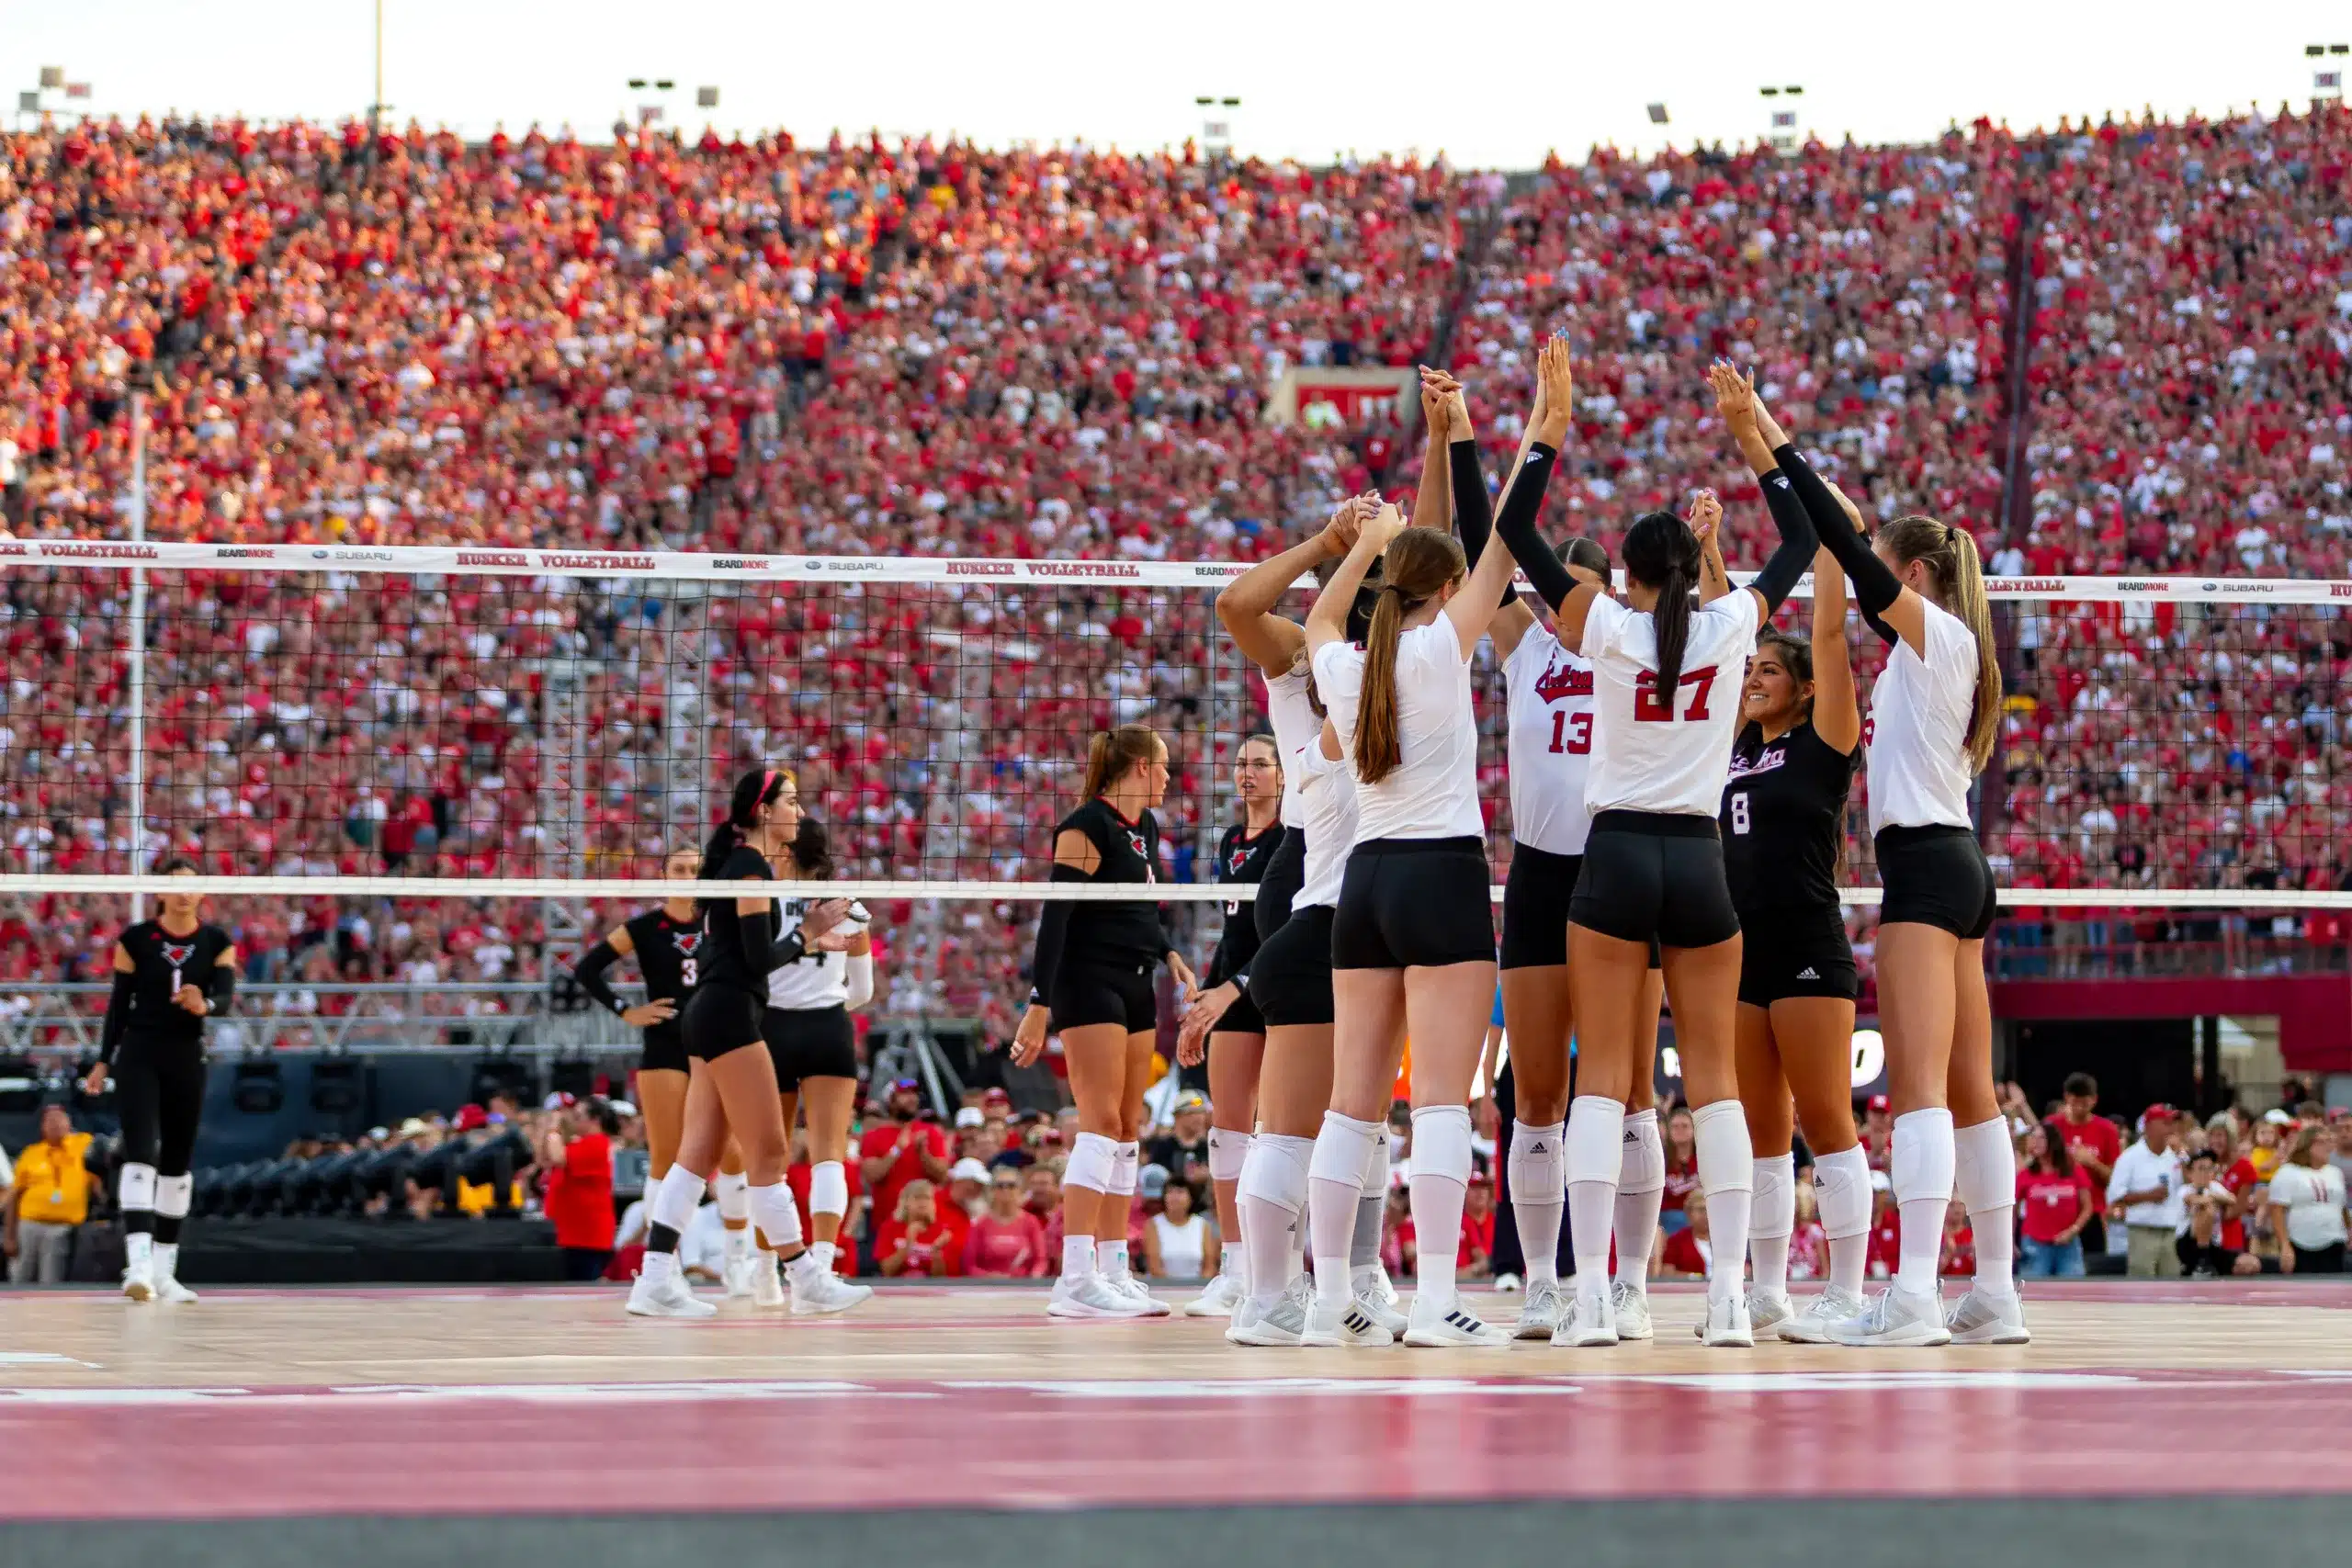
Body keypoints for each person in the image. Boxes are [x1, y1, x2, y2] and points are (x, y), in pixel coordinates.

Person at [1489, 357, 1817, 1348]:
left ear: (1626, 574)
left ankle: (1589, 1297)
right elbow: (1803, 536)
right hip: (1697, 859)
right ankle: (1724, 1301)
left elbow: (1511, 533)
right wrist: (1753, 432)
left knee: (1601, 1084)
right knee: (1711, 1083)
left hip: (1615, 856)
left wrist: (1549, 426)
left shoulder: (1605, 628)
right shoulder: (1729, 623)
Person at [1301, 346, 1569, 1350]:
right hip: (1441, 875)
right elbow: (1501, 537)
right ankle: (1430, 1302)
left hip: (1363, 881)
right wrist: (1539, 429)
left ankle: (1330, 1302)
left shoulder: (1341, 656)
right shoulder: (1437, 646)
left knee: (1351, 1106)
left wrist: (1367, 540)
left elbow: (1331, 605)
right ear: (1444, 588)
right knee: (1444, 1106)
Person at [1769, 372, 2023, 1348]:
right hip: (1956, 867)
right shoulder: (1936, 654)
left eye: (1886, 566)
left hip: (1925, 870)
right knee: (1969, 1089)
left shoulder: (1940, 634)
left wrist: (1778, 446)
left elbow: (1848, 562)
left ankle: (1912, 1295)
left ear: (1912, 575)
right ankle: (1992, 1294)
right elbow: (1843, 580)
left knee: (1918, 1086)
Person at [1420, 361, 1669, 1343]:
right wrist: (1463, 434)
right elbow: (1488, 540)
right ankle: (1538, 1283)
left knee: (1637, 1086)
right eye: (1565, 590)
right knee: (1537, 1091)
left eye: (1592, 591)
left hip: (1615, 866)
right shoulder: (1527, 645)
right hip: (1539, 872)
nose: (1577, 603)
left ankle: (1632, 1282)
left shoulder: (1631, 642)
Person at [1202, 495, 1400, 1348]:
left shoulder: (1374, 672)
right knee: (1329, 1122)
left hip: (1328, 909)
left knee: (1336, 1120)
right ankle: (1291, 1292)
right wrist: (1333, 540)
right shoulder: (1329, 679)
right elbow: (1237, 606)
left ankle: (1321, 1284)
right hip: (1330, 913)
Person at [1711, 371, 1871, 1341]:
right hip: (1736, 945)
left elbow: (1821, 609)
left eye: (1771, 669)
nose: (1756, 674)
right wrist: (1714, 556)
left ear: (1803, 687)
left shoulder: (1826, 733)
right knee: (1758, 1135)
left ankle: (1847, 1293)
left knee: (1826, 1121)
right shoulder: (1730, 744)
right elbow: (1718, 639)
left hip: (1809, 935)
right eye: (1753, 669)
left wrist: (1757, 437)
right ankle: (1767, 1288)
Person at [627, 768, 849, 1318]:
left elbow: (724, 954)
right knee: (769, 1151)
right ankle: (806, 1277)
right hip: (729, 1016)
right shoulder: (749, 869)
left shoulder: (735, 866)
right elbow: (757, 960)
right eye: (791, 803)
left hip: (709, 1012)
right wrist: (808, 933)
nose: (799, 813)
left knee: (696, 1156)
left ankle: (653, 1279)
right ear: (761, 810)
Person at [1012, 723, 1199, 1318]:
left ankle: (1115, 1269)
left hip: (1137, 976)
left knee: (1125, 1124)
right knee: (1096, 1121)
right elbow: (1056, 923)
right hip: (1085, 980)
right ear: (1139, 767)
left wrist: (1169, 951)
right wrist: (1039, 1004)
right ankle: (1074, 1277)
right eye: (1163, 764)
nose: (1169, 775)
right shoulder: (1083, 827)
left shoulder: (1143, 827)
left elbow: (1143, 908)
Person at [1166, 735, 1284, 1316]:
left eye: (1260, 764)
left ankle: (1285, 1268)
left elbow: (1283, 933)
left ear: (1284, 776)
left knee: (1285, 1134)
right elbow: (1234, 936)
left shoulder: (1298, 838)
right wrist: (1204, 999)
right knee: (1228, 1131)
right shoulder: (1230, 841)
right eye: (1240, 763)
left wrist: (1229, 990)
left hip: (1284, 986)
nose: (1248, 773)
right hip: (1235, 986)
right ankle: (1236, 1271)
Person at [85, 862, 237, 1303]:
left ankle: (166, 1272)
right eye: (177, 887)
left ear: (202, 893)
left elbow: (226, 999)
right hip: (139, 1054)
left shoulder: (217, 942)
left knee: (177, 1164)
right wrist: (102, 1061)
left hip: (186, 1057)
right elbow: (117, 1007)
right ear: (161, 893)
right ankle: (138, 1266)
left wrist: (203, 1002)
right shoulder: (135, 939)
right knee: (141, 1150)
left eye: (193, 886)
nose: (185, 894)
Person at [751, 817, 876, 1313]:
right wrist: (826, 1008)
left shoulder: (763, 903)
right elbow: (863, 992)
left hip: (771, 1031)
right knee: (830, 1154)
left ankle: (767, 1273)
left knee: (769, 1159)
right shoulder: (852, 908)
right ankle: (822, 1268)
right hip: (828, 1030)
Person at [569, 846, 701, 1258]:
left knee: (729, 1156)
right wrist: (627, 1011)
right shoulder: (643, 927)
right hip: (664, 1045)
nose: (687, 876)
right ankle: (662, 1265)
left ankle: (739, 1261)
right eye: (678, 869)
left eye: (696, 870)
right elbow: (587, 969)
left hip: (716, 1042)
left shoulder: (725, 924)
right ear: (663, 877)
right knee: (665, 1157)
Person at [5, 1103, 96, 1284]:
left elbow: (102, 1154)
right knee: (19, 1278)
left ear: (69, 1124)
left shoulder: (81, 1145)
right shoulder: (31, 1153)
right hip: (29, 1226)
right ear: (42, 1127)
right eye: (50, 1120)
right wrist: (10, 1236)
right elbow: (14, 1196)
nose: (55, 1123)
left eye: (60, 1118)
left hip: (62, 1229)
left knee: (51, 1282)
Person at [542, 1099, 620, 1281]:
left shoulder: (597, 1143)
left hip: (587, 1237)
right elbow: (546, 1157)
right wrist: (549, 1130)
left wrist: (554, 1129)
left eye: (578, 1116)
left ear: (595, 1120)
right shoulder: (579, 1143)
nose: (573, 1120)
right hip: (572, 1234)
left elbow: (559, 1157)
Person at [2106, 1105, 2186, 1279]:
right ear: (2149, 1126)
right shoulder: (2130, 1157)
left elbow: (2180, 1191)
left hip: (2170, 1232)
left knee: (2172, 1284)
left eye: (2171, 1123)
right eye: (2165, 1123)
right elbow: (2115, 1196)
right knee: (2141, 1286)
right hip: (2142, 1231)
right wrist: (2148, 1196)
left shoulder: (2173, 1158)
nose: (2170, 1128)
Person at [2015, 1122, 2093, 1278]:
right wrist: (2011, 1242)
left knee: (2073, 1292)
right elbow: (2012, 1210)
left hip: (2068, 1244)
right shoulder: (2025, 1175)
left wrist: (2073, 1230)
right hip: (2034, 1243)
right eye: (2033, 1137)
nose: (2035, 1142)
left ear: (2053, 1140)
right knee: (2034, 1292)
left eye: (2041, 1137)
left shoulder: (2073, 1170)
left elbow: (2087, 1207)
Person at [2268, 1123, 2347, 1274]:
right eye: (2323, 1141)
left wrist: (2349, 1231)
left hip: (2335, 1242)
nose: (2329, 1147)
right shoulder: (2288, 1172)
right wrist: (2285, 1245)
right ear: (2308, 1144)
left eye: (2330, 1141)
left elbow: (2341, 1206)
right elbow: (2277, 1211)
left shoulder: (2335, 1172)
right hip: (2301, 1243)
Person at [965, 1168, 1050, 1277]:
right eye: (1000, 1186)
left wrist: (1034, 1276)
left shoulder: (1031, 1222)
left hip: (1023, 1288)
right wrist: (988, 1276)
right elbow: (969, 1266)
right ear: (993, 1190)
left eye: (1011, 1185)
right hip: (989, 1288)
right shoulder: (980, 1224)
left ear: (1020, 1189)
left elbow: (1041, 1260)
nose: (1005, 1190)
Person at [876, 1179, 960, 1278]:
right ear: (905, 1202)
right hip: (897, 1286)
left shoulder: (941, 1231)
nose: (922, 1202)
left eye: (927, 1198)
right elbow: (887, 1271)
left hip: (930, 1288)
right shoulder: (889, 1227)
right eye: (917, 1198)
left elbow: (940, 1278)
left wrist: (936, 1252)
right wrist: (908, 1245)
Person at [1144, 1179, 1216, 1283]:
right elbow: (1154, 1268)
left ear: (1191, 1198)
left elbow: (1209, 1267)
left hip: (1197, 1289)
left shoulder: (1202, 1225)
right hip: (1161, 1288)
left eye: (1180, 1192)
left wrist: (1198, 1288)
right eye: (1170, 1192)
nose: (1174, 1197)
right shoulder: (1153, 1224)